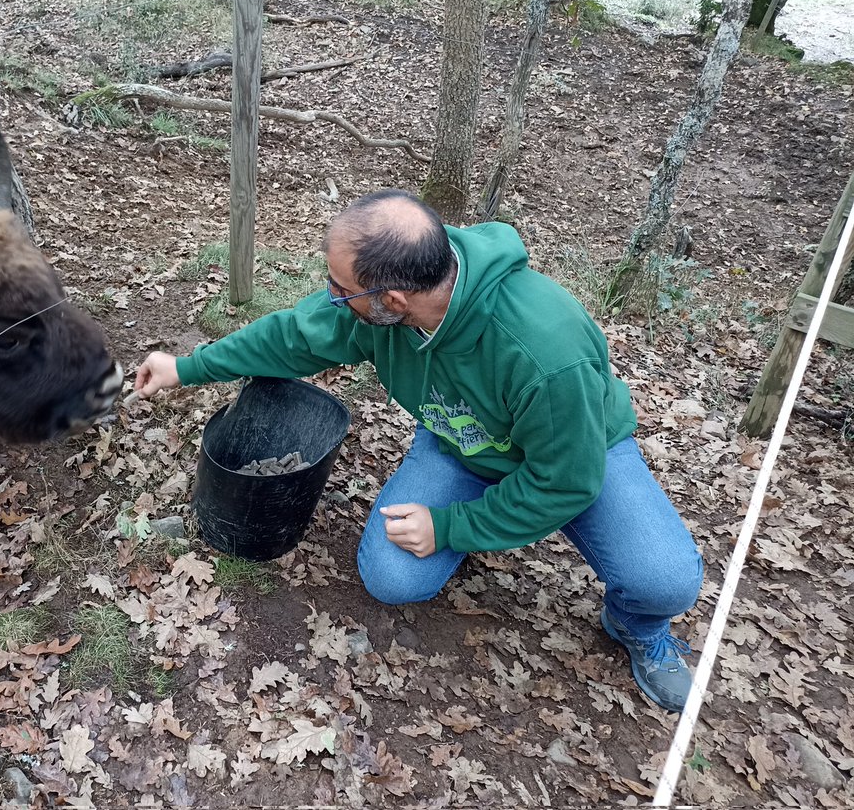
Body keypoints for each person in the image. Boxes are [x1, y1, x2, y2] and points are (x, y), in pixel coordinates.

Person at [135, 189, 703, 712]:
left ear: (393, 299)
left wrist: (451, 527)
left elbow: (565, 481)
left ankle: (637, 627)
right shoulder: (383, 305)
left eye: (340, 288)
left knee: (664, 580)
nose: (329, 297)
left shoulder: (546, 353)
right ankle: (483, 512)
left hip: (575, 449)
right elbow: (292, 336)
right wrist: (186, 367)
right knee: (393, 577)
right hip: (462, 442)